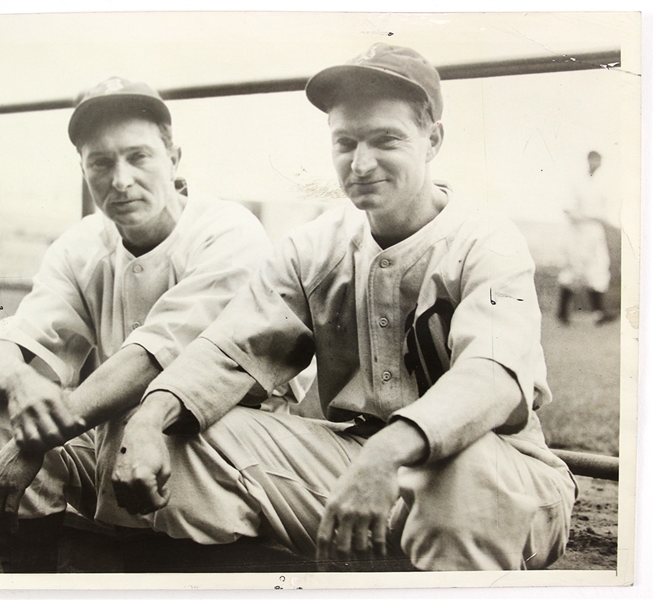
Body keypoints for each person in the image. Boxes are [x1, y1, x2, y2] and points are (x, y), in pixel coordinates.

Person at [110, 44, 577, 571]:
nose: (360, 163)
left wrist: (387, 452)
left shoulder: (486, 238)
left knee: (459, 478)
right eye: (345, 142)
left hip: (503, 474)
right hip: (357, 467)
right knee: (185, 438)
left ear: (433, 140)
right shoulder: (316, 245)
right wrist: (150, 417)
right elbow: (230, 350)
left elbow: (494, 378)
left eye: (386, 140)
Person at [0, 77, 287, 572]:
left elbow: (154, 359)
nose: (120, 180)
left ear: (174, 157)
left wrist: (35, 442)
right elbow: (18, 336)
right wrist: (19, 381)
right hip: (119, 442)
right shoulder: (81, 244)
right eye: (101, 163)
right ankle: (30, 582)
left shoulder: (227, 231)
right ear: (83, 170)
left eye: (138, 157)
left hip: (227, 444)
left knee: (149, 420)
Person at [557, 150, 616, 325]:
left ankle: (599, 313)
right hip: (579, 231)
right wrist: (581, 217)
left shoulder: (601, 184)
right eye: (594, 160)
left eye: (599, 161)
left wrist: (599, 219)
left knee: (598, 267)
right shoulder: (577, 181)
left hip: (595, 230)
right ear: (588, 160)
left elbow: (605, 211)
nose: (596, 164)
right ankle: (562, 312)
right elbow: (567, 208)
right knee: (574, 269)